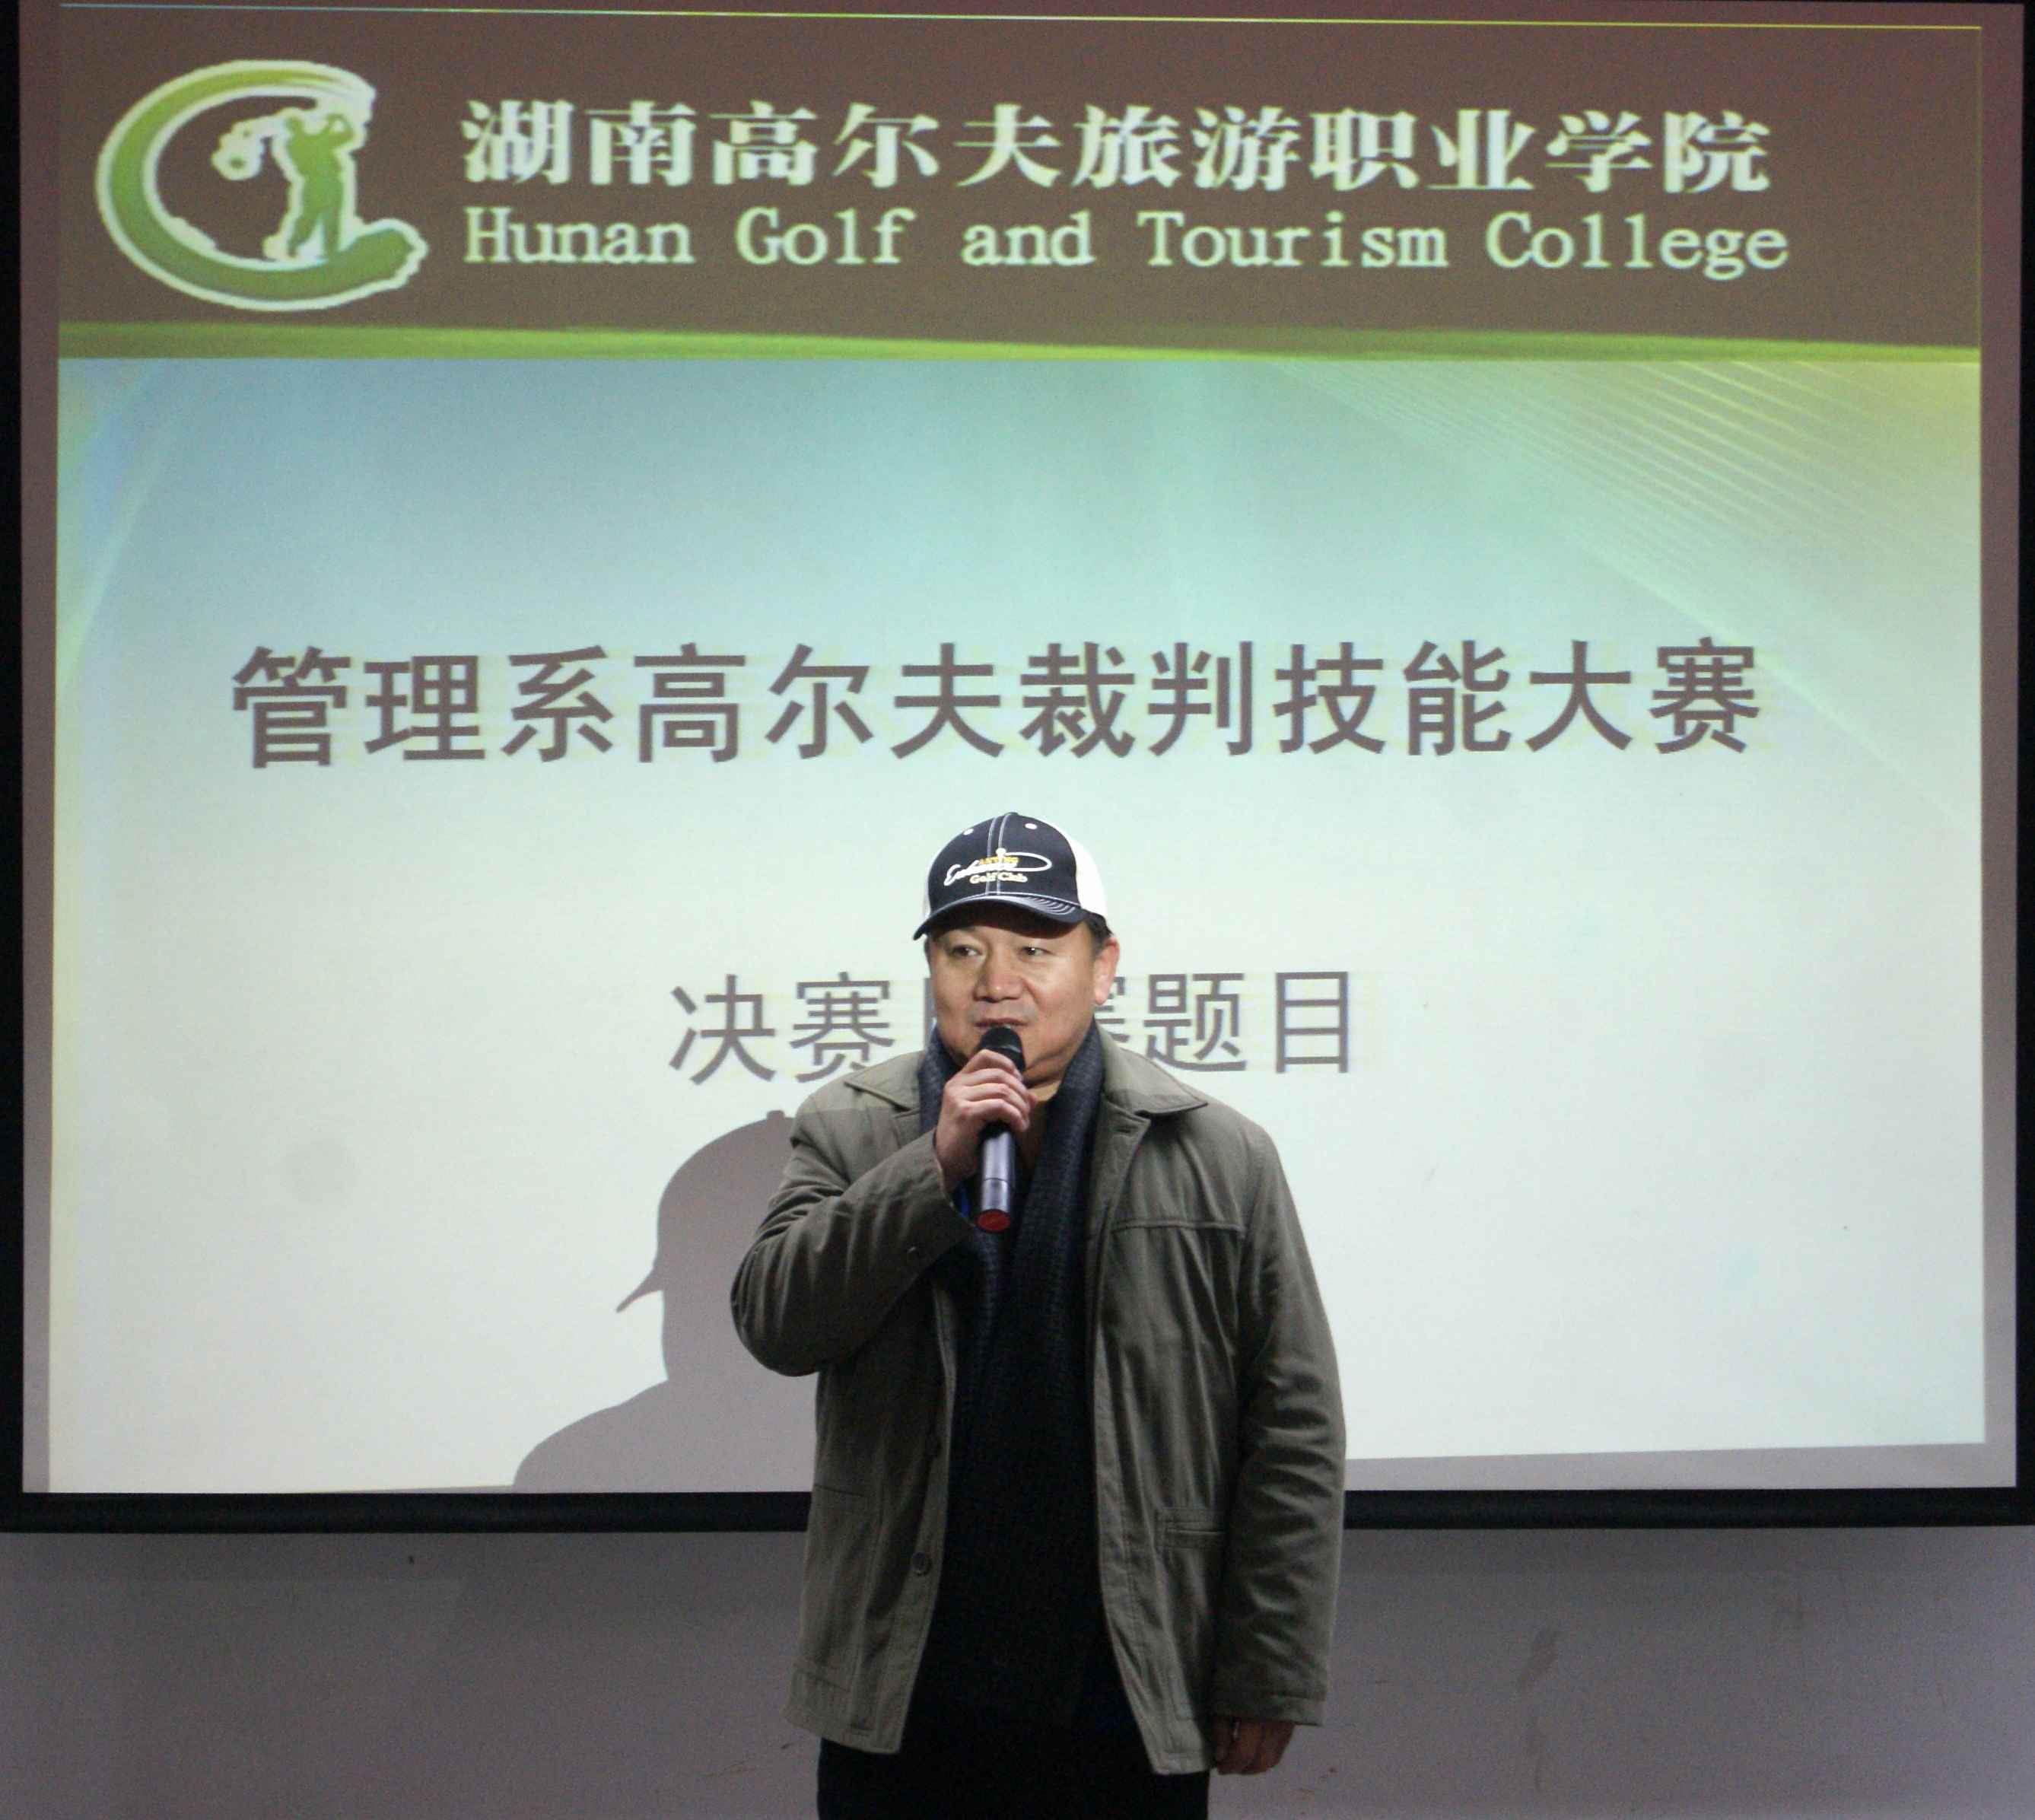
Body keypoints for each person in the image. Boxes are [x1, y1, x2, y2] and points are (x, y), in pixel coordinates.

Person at [732, 813, 1345, 1818]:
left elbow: (1293, 1423)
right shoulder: (851, 1127)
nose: (995, 982)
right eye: (962, 950)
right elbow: (777, 1322)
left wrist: (1269, 1668)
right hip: (905, 1678)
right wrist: (931, 1164)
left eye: (1034, 948)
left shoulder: (1217, 1152)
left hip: (1128, 1675)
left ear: (1103, 967)